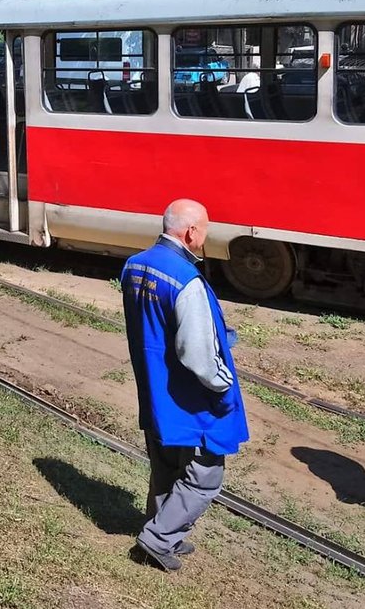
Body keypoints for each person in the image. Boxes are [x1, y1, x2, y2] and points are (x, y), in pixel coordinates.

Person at [120, 199, 249, 571]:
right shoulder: (187, 280)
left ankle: (163, 530)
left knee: (165, 464)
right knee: (205, 474)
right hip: (189, 396)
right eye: (206, 230)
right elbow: (197, 354)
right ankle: (158, 538)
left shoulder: (135, 265)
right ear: (192, 232)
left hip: (155, 387)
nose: (206, 238)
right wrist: (223, 385)